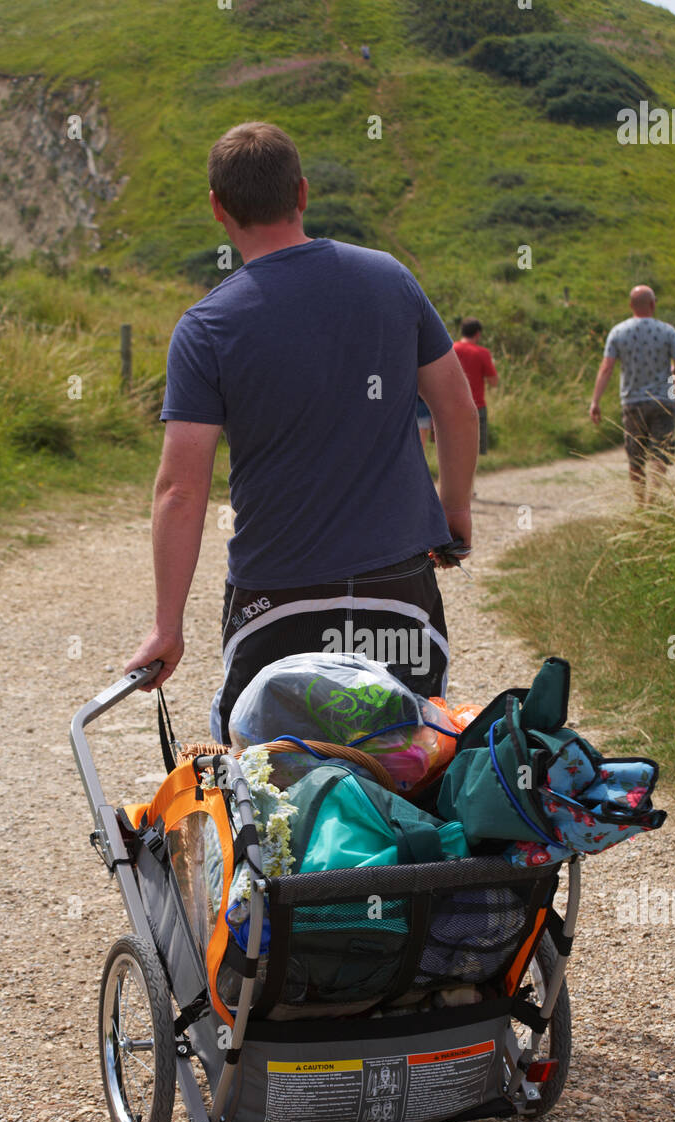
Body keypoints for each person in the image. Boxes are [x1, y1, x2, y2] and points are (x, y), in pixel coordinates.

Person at [124, 122, 478, 742]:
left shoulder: (206, 327)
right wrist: (454, 513)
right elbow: (456, 407)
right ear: (303, 193)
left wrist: (167, 626)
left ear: (217, 208)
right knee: (407, 755)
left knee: (264, 770)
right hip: (396, 578)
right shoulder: (390, 279)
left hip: (275, 593)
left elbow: (180, 491)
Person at [589, 285, 675, 502]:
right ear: (653, 305)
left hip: (632, 402)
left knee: (636, 458)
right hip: (663, 401)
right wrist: (673, 387)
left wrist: (595, 401)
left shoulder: (618, 332)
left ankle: (640, 502)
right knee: (660, 453)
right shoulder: (667, 331)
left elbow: (606, 368)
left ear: (630, 305)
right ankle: (654, 498)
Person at [453, 318, 498, 456]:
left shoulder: (450, 349)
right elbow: (493, 382)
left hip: (452, 405)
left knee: (454, 448)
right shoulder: (482, 353)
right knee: (477, 450)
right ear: (478, 334)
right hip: (476, 405)